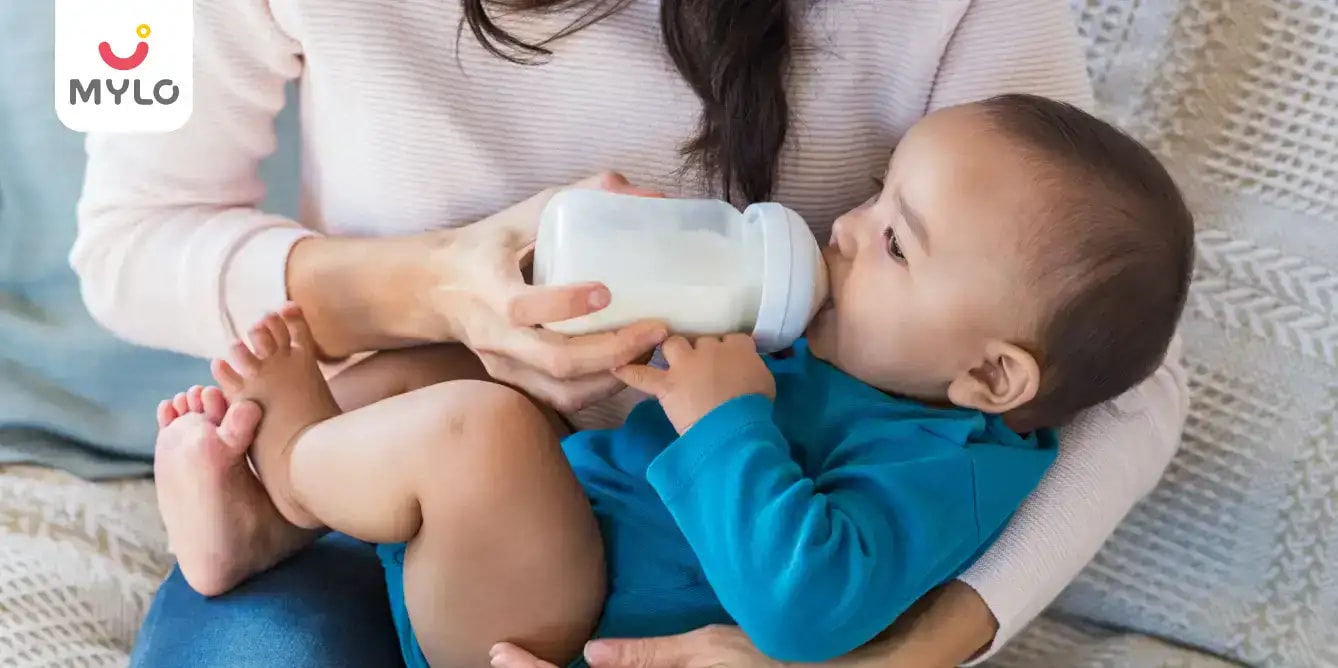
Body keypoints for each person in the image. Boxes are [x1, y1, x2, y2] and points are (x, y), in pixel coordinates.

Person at [72, 0, 1190, 666]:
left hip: (656, 574)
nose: (850, 231)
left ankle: (284, 482)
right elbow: (124, 242)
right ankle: (275, 502)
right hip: (401, 462)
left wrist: (897, 654)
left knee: (462, 422)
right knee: (423, 396)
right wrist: (427, 285)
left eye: (890, 230)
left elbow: (1114, 376)